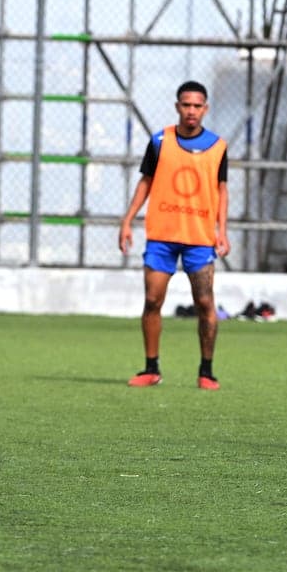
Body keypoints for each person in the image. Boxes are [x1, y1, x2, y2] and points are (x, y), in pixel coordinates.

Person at [118, 81, 230, 390]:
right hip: (162, 235)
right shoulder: (159, 141)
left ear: (205, 109)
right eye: (186, 105)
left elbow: (222, 190)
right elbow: (146, 182)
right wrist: (127, 220)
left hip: (200, 237)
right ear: (177, 106)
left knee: (205, 302)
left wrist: (223, 231)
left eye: (197, 105)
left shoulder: (218, 146)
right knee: (152, 300)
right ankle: (151, 368)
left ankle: (206, 371)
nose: (191, 110)